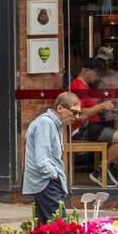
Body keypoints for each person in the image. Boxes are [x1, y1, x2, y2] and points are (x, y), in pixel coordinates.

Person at [70, 56, 118, 187]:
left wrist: (104, 107)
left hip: (91, 126)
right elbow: (80, 114)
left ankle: (108, 169)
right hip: (81, 129)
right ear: (86, 70)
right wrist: (102, 106)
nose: (97, 77)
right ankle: (101, 170)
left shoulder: (86, 86)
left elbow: (89, 109)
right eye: (96, 73)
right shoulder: (77, 85)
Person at [23, 92, 81, 224]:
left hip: (46, 182)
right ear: (60, 109)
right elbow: (42, 159)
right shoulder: (46, 124)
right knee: (61, 227)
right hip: (46, 182)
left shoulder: (54, 124)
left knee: (45, 228)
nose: (76, 117)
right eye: (74, 112)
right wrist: (53, 176)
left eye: (78, 113)